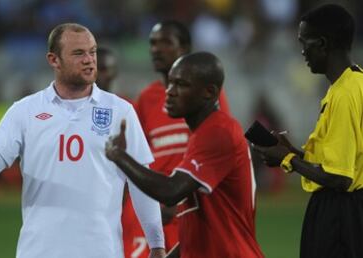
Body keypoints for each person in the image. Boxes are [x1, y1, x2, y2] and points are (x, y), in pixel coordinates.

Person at [0, 23, 165, 258]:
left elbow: (141, 183)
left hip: (101, 251)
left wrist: (157, 245)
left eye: (93, 51)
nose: (89, 60)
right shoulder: (25, 111)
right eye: (79, 53)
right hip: (39, 252)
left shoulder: (121, 111)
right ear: (53, 59)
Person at [106, 52, 264, 258]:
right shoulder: (201, 135)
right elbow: (197, 229)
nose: (170, 92)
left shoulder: (218, 132)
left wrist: (119, 156)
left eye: (181, 85)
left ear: (209, 92)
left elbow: (171, 191)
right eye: (170, 83)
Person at [253, 4, 363, 258]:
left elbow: (339, 178)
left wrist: (287, 159)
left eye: (306, 42)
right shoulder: (354, 82)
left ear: (323, 43)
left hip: (339, 214)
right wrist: (294, 152)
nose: (302, 51)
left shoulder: (344, 95)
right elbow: (342, 162)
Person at [123, 20, 231, 258]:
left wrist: (177, 197)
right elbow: (139, 153)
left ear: (184, 48)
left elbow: (217, 156)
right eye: (152, 43)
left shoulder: (208, 97)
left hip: (189, 207)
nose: (156, 49)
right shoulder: (147, 98)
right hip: (155, 209)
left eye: (165, 43)